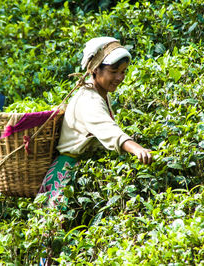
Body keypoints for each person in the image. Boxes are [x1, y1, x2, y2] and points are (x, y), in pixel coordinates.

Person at [37, 36, 152, 210]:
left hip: (78, 172)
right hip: (65, 176)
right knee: (56, 230)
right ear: (95, 70)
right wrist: (136, 149)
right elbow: (108, 130)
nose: (120, 77)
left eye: (123, 72)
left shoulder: (101, 92)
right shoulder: (89, 100)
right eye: (114, 72)